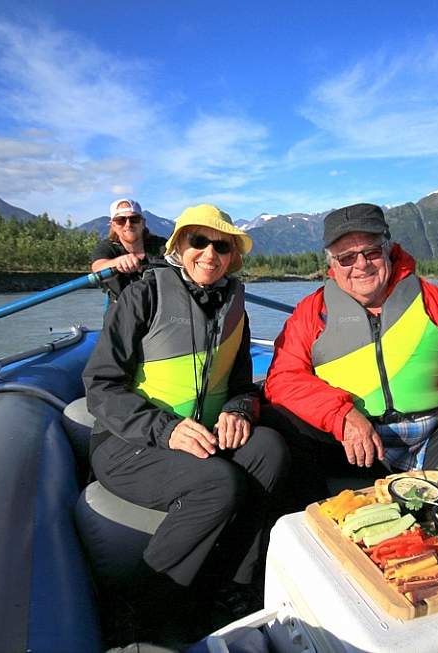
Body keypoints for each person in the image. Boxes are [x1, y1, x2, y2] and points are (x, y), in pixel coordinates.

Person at [83, 203, 289, 643]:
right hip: (128, 441)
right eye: (199, 241)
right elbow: (100, 385)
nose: (210, 254)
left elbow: (241, 386)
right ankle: (143, 611)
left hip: (199, 435)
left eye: (222, 246)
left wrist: (237, 410)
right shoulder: (145, 295)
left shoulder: (237, 309)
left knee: (269, 449)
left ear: (233, 256)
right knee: (218, 483)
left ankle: (232, 585)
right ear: (179, 245)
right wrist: (163, 428)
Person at [263, 202, 438, 508]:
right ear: (333, 266)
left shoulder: (432, 299)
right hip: (356, 449)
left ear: (388, 250)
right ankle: (318, 520)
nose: (361, 264)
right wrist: (342, 414)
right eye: (347, 257)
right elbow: (283, 379)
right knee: (275, 423)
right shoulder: (312, 312)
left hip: (432, 437)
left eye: (371, 252)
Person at [90, 198, 167, 302]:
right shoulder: (106, 247)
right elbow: (97, 267)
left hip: (160, 309)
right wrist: (118, 262)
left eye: (134, 219)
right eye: (120, 220)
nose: (128, 224)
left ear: (143, 223)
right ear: (113, 225)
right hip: (122, 311)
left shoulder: (161, 245)